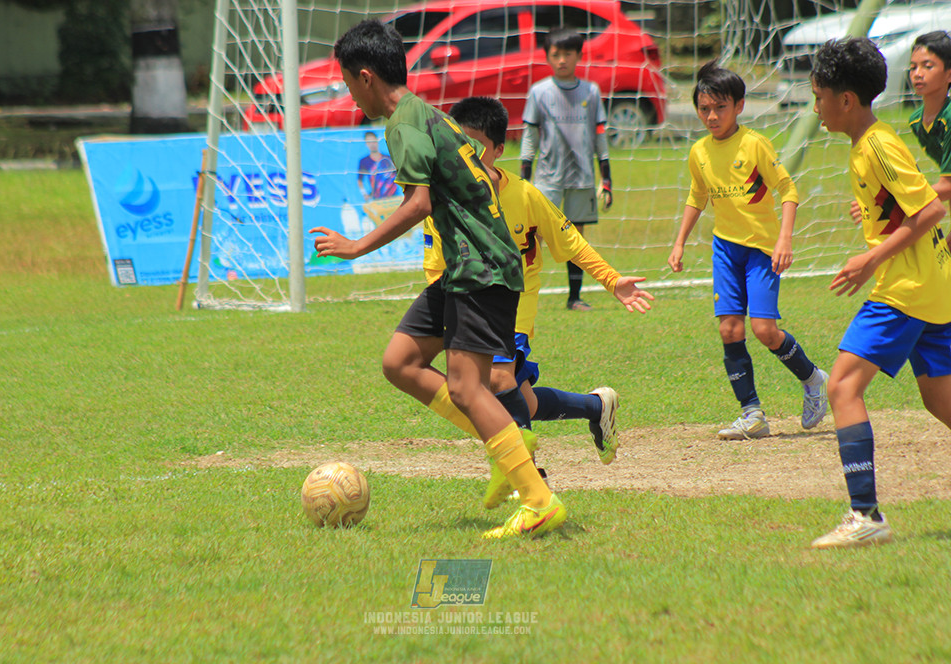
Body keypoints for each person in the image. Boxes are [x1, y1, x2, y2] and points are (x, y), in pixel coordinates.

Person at [311, 19, 563, 539]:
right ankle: (507, 446)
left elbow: (418, 203)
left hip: (481, 267)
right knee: (400, 362)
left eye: (344, 82)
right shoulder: (423, 113)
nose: (347, 93)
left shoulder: (403, 125)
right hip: (466, 267)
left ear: (364, 77)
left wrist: (356, 245)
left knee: (469, 388)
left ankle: (537, 499)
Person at [390, 96, 653, 510]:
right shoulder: (448, 200)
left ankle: (530, 478)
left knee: (497, 381)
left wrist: (612, 280)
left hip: (515, 308)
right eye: (460, 144)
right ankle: (595, 406)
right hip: (466, 300)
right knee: (521, 400)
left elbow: (571, 242)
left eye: (475, 146)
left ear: (497, 150)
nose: (466, 155)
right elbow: (435, 267)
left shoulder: (526, 196)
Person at [808, 38, 951, 549]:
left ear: (846, 100)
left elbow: (931, 211)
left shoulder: (876, 144)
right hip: (934, 284)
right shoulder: (873, 141)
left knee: (843, 386)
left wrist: (869, 258)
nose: (816, 105)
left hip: (907, 289)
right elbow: (909, 201)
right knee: (941, 399)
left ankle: (865, 514)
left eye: (819, 94)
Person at [667, 60, 829, 441]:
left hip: (761, 250)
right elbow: (698, 196)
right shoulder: (699, 152)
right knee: (729, 329)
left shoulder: (754, 144)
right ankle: (752, 413)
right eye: (704, 108)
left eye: (720, 107)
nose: (711, 116)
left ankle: (813, 378)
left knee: (765, 331)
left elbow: (788, 191)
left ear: (739, 106)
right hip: (725, 249)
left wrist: (784, 239)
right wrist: (679, 242)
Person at [520, 26, 612, 311]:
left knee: (576, 237)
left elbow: (600, 136)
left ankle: (574, 297)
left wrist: (606, 178)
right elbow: (530, 135)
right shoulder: (539, 92)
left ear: (578, 56)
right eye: (556, 54)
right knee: (531, 235)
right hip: (548, 178)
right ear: (547, 56)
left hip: (581, 178)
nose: (562, 60)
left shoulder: (591, 91)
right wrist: (524, 179)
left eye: (568, 54)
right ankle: (519, 293)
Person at [908, 31, 951, 208]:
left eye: (928, 66)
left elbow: (948, 187)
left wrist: (895, 202)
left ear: (949, 74)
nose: (918, 74)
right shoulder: (916, 121)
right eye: (913, 67)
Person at [356, 130, 398, 201]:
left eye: (373, 141)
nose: (372, 144)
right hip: (377, 199)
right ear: (366, 144)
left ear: (377, 140)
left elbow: (399, 175)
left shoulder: (388, 158)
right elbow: (360, 181)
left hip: (394, 198)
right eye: (369, 142)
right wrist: (364, 194)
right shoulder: (364, 161)